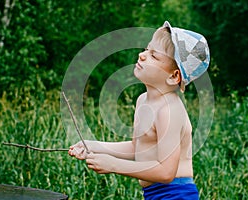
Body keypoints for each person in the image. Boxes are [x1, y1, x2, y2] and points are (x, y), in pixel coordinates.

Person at [68, 21, 210, 199]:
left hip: (176, 194)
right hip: (154, 193)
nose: (142, 55)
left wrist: (113, 165)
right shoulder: (143, 100)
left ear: (174, 76)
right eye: (146, 49)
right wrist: (93, 146)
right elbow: (138, 148)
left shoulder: (169, 110)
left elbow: (166, 172)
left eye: (154, 56)